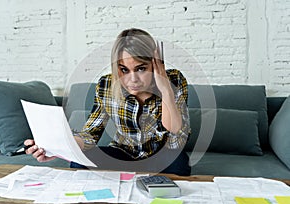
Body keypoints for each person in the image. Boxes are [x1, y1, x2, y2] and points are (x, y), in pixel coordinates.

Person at [25, 28, 191, 176]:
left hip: (162, 157)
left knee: (179, 164)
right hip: (124, 154)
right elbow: (91, 133)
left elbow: (177, 136)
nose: (132, 79)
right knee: (79, 162)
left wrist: (165, 89)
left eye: (141, 68)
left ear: (155, 65)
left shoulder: (174, 80)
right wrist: (59, 148)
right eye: (124, 70)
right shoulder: (106, 85)